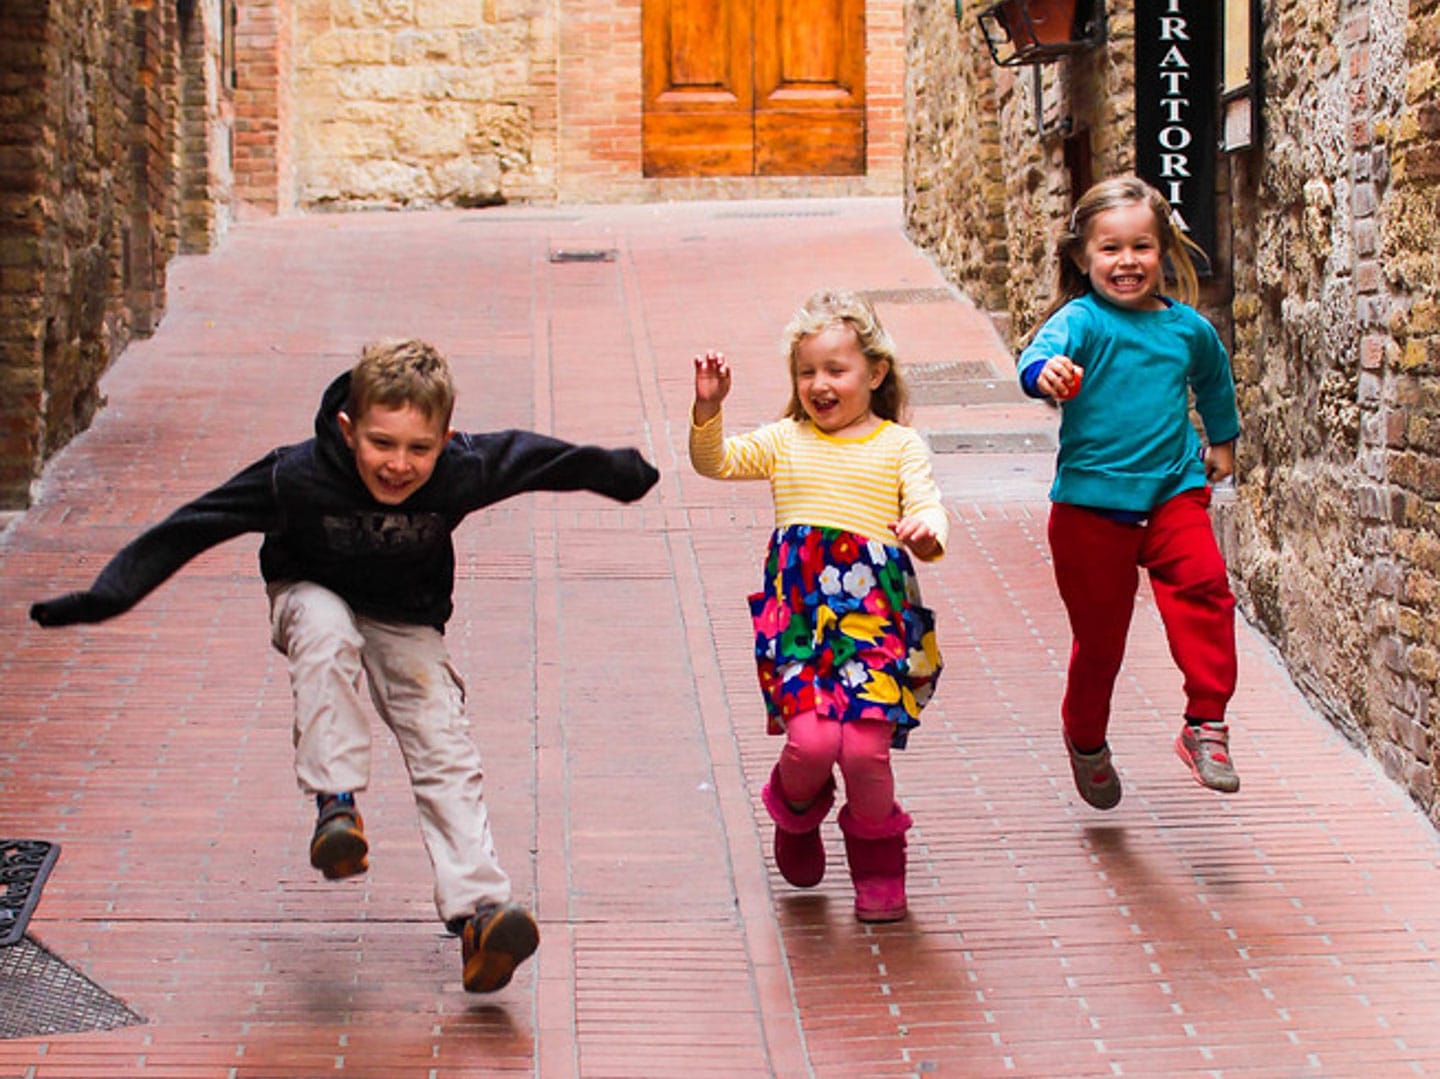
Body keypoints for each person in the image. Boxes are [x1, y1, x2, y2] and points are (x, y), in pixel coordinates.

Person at [30, 339, 660, 992]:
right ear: (347, 428)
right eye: (382, 444)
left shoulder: (460, 468)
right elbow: (196, 523)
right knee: (328, 635)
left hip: (405, 615)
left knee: (441, 731)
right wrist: (105, 596)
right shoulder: (298, 474)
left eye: (419, 448)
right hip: (308, 592)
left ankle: (481, 912)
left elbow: (541, 459)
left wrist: (621, 472)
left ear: (445, 438)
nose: (399, 465)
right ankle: (336, 805)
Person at [689, 290, 946, 923]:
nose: (819, 384)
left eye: (836, 370)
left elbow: (928, 505)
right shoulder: (785, 441)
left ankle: (880, 868)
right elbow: (714, 462)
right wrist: (707, 407)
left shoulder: (899, 446)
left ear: (875, 373)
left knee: (863, 749)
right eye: (807, 372)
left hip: (876, 621)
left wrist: (926, 530)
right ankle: (796, 812)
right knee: (810, 742)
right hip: (802, 618)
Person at [1016, 175, 1241, 811]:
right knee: (1101, 642)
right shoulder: (1080, 321)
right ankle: (1086, 740)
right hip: (1090, 507)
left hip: (1174, 490)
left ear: (1163, 250)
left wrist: (1221, 440)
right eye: (1110, 249)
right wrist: (1046, 374)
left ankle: (1206, 722)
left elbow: (1214, 381)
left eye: (1141, 247)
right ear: (1083, 258)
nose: (1127, 262)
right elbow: (1036, 359)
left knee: (1205, 589)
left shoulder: (1187, 329)